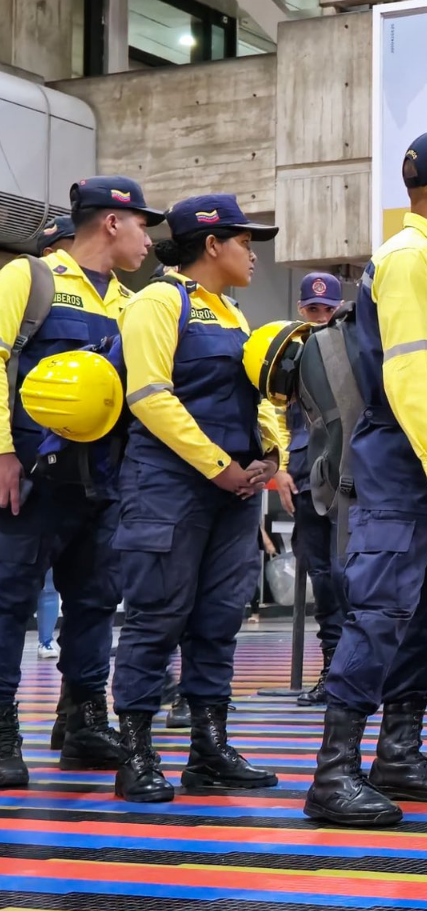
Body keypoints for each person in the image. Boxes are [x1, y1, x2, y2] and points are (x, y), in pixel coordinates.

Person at [304, 124, 427, 827]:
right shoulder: (413, 256)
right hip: (414, 468)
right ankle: (333, 772)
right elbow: (413, 367)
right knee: (379, 611)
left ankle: (398, 752)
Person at [110, 193, 284, 803]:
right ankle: (134, 753)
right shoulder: (159, 301)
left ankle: (208, 750)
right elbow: (151, 395)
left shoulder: (234, 314)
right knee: (157, 616)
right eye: (244, 241)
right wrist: (218, 468)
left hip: (233, 490)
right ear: (212, 244)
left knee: (217, 620)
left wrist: (269, 454)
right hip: (168, 486)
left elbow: (255, 399)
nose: (253, 253)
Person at [0, 177, 157, 790]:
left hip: (105, 483)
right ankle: (2, 727)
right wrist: (3, 452)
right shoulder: (30, 279)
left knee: (95, 601)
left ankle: (84, 720)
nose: (149, 238)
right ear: (112, 223)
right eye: (143, 224)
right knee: (9, 599)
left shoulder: (131, 300)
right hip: (32, 478)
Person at [270, 272, 349, 707]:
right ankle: (333, 668)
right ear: (301, 310)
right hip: (305, 475)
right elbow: (276, 413)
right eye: (312, 309)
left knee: (353, 575)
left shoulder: (356, 347)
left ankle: (358, 669)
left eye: (327, 309)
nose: (320, 317)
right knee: (323, 574)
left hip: (353, 474)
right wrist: (280, 469)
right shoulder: (288, 354)